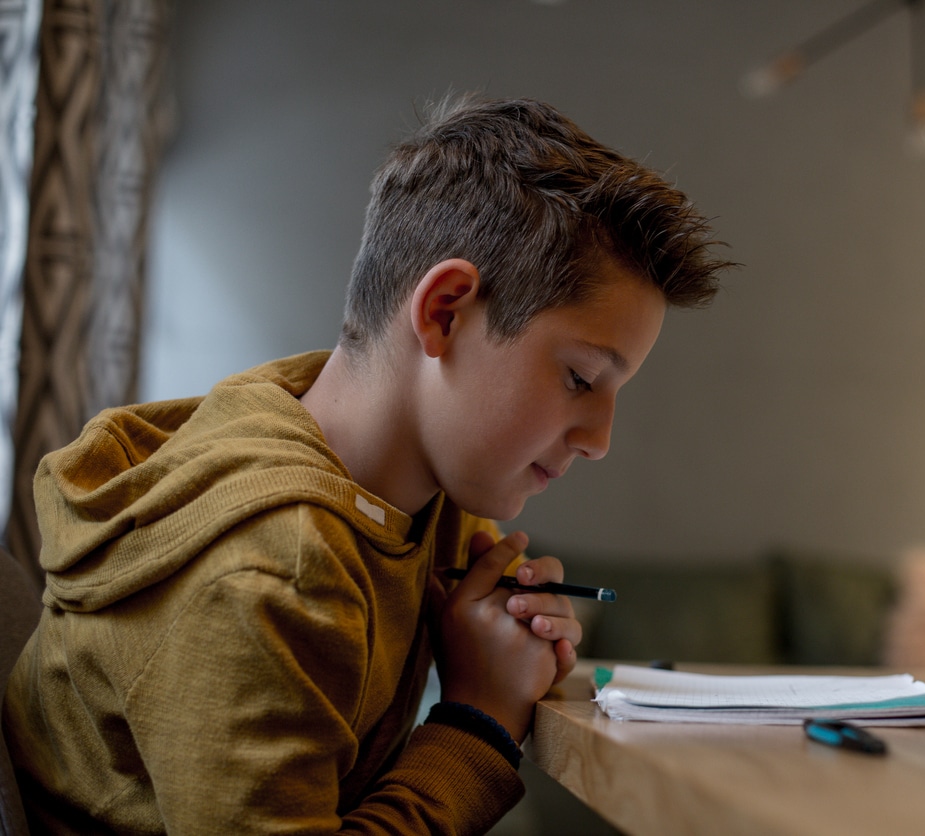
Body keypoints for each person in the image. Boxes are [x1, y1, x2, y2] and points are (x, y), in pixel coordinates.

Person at [2, 95, 731, 834]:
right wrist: (477, 721)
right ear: (444, 312)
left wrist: (499, 647)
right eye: (580, 378)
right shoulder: (272, 568)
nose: (600, 438)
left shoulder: (413, 497)